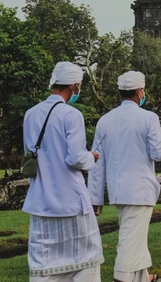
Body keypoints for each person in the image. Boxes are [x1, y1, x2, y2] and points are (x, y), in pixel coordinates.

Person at [23, 61, 103, 281]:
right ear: (75, 86)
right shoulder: (71, 115)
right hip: (71, 202)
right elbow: (76, 158)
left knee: (44, 266)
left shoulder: (31, 114)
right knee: (86, 260)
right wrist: (92, 157)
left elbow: (29, 156)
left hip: (41, 200)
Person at [88, 71, 161, 282]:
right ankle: (121, 278)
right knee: (130, 240)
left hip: (118, 190)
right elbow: (159, 153)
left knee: (135, 237)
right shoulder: (149, 118)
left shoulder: (105, 121)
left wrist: (94, 198)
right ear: (140, 91)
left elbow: (97, 163)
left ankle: (142, 278)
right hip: (140, 190)